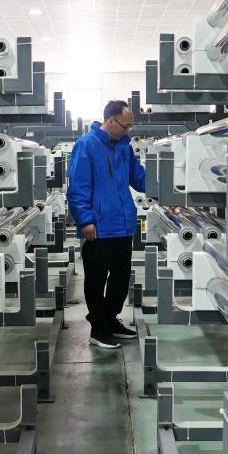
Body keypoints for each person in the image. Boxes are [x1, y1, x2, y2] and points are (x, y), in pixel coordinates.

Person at [66, 100, 148, 349]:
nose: (128, 131)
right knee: (96, 279)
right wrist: (85, 220)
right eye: (126, 126)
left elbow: (138, 178)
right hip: (98, 227)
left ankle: (111, 320)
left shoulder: (124, 147)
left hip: (123, 225)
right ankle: (98, 329)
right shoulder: (86, 145)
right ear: (111, 121)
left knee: (121, 279)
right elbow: (77, 187)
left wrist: (167, 183)